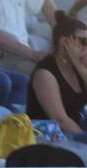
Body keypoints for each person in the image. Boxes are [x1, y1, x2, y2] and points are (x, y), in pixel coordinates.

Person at [27, 12, 87, 140]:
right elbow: (60, 119)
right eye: (84, 42)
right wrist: (84, 138)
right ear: (64, 42)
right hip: (48, 139)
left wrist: (78, 63)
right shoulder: (45, 73)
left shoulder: (77, 69)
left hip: (72, 137)